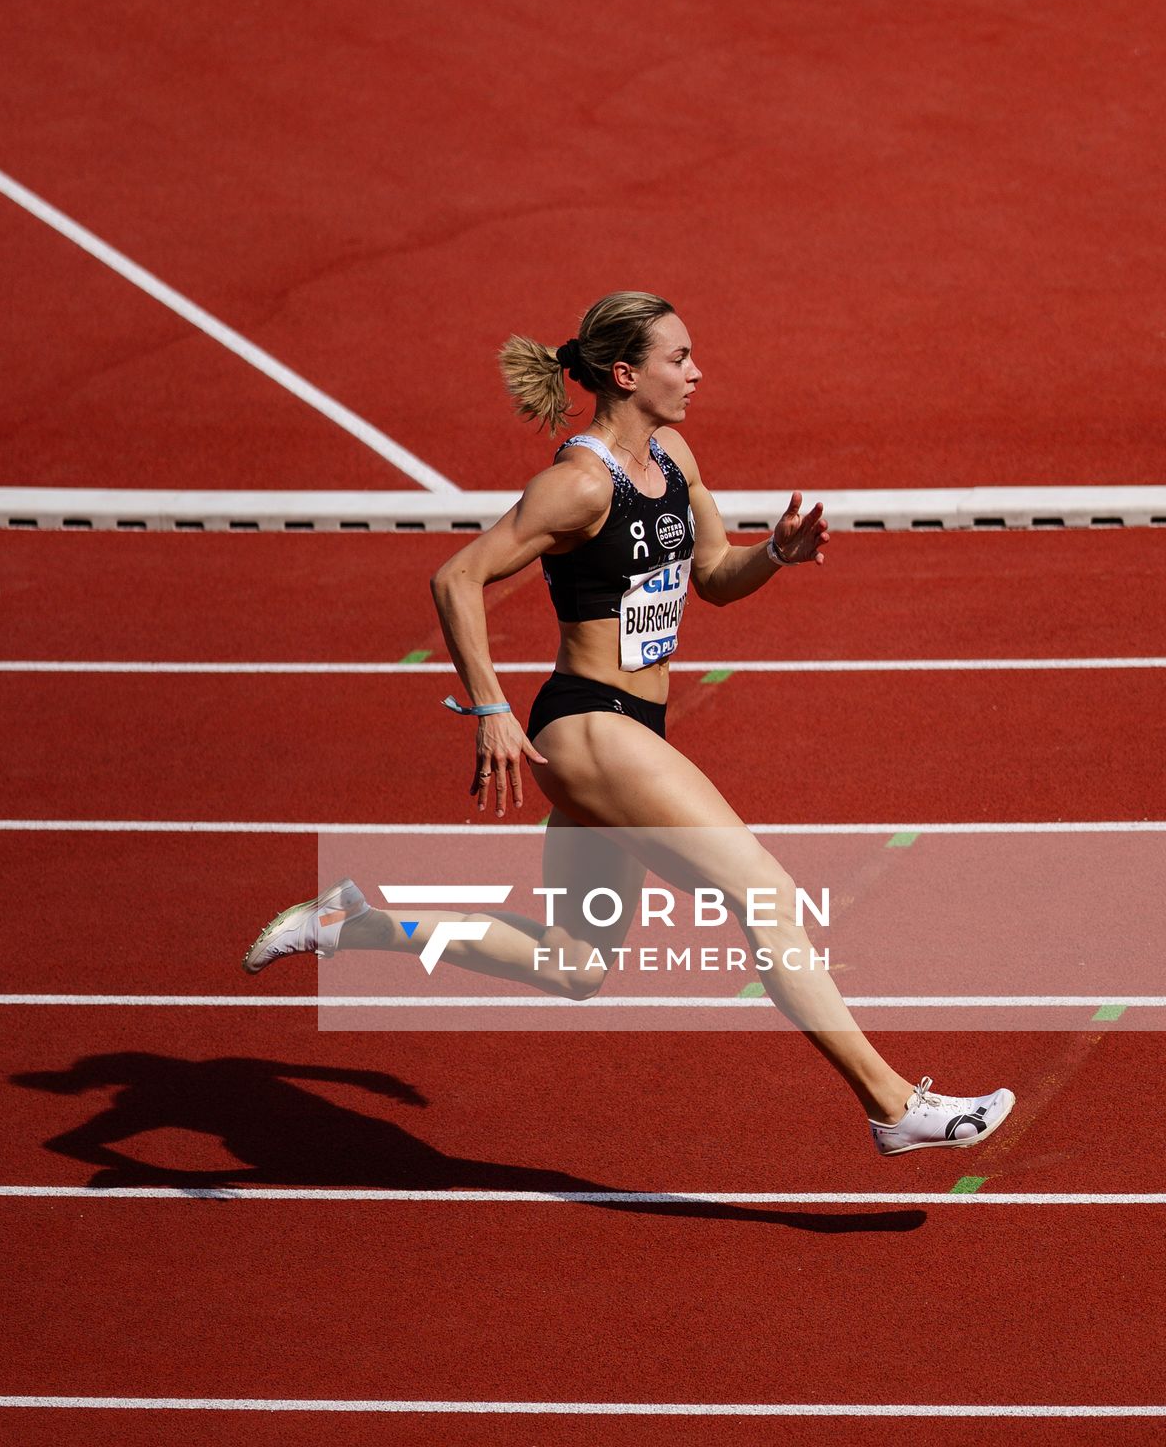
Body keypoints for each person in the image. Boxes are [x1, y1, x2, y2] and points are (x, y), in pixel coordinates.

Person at [243, 291, 1014, 1157]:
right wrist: (491, 708)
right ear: (625, 373)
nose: (697, 372)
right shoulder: (576, 484)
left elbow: (715, 575)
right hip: (587, 725)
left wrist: (777, 555)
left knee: (572, 966)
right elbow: (457, 578)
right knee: (767, 896)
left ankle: (355, 923)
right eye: (679, 358)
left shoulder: (674, 455)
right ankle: (892, 1101)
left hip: (635, 727)